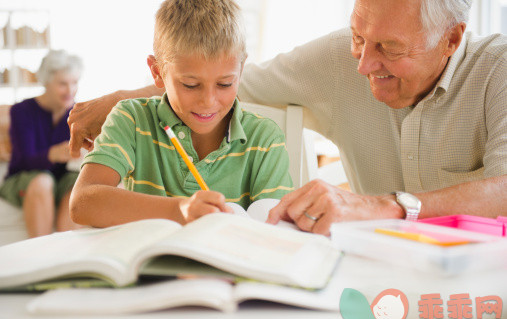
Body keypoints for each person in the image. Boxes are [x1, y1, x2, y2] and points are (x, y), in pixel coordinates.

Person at [68, 0, 506, 234]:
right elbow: (239, 81)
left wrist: (383, 206)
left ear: (451, 39)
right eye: (358, 37)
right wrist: (119, 99)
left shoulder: (497, 71)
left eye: (389, 49)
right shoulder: (338, 59)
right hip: (374, 274)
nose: (362, 65)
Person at [69, 0, 293, 227]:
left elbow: (275, 228)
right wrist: (179, 210)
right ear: (157, 72)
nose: (208, 101)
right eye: (190, 84)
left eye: (225, 84)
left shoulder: (265, 139)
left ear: (241, 70)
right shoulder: (132, 120)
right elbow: (82, 203)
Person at [0, 49, 84, 237]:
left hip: (61, 179)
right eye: (63, 83)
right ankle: (43, 255)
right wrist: (53, 153)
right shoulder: (22, 111)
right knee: (43, 181)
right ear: (46, 82)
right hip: (24, 177)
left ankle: (67, 253)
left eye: (74, 83)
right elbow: (24, 161)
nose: (70, 90)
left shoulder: (78, 112)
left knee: (82, 182)